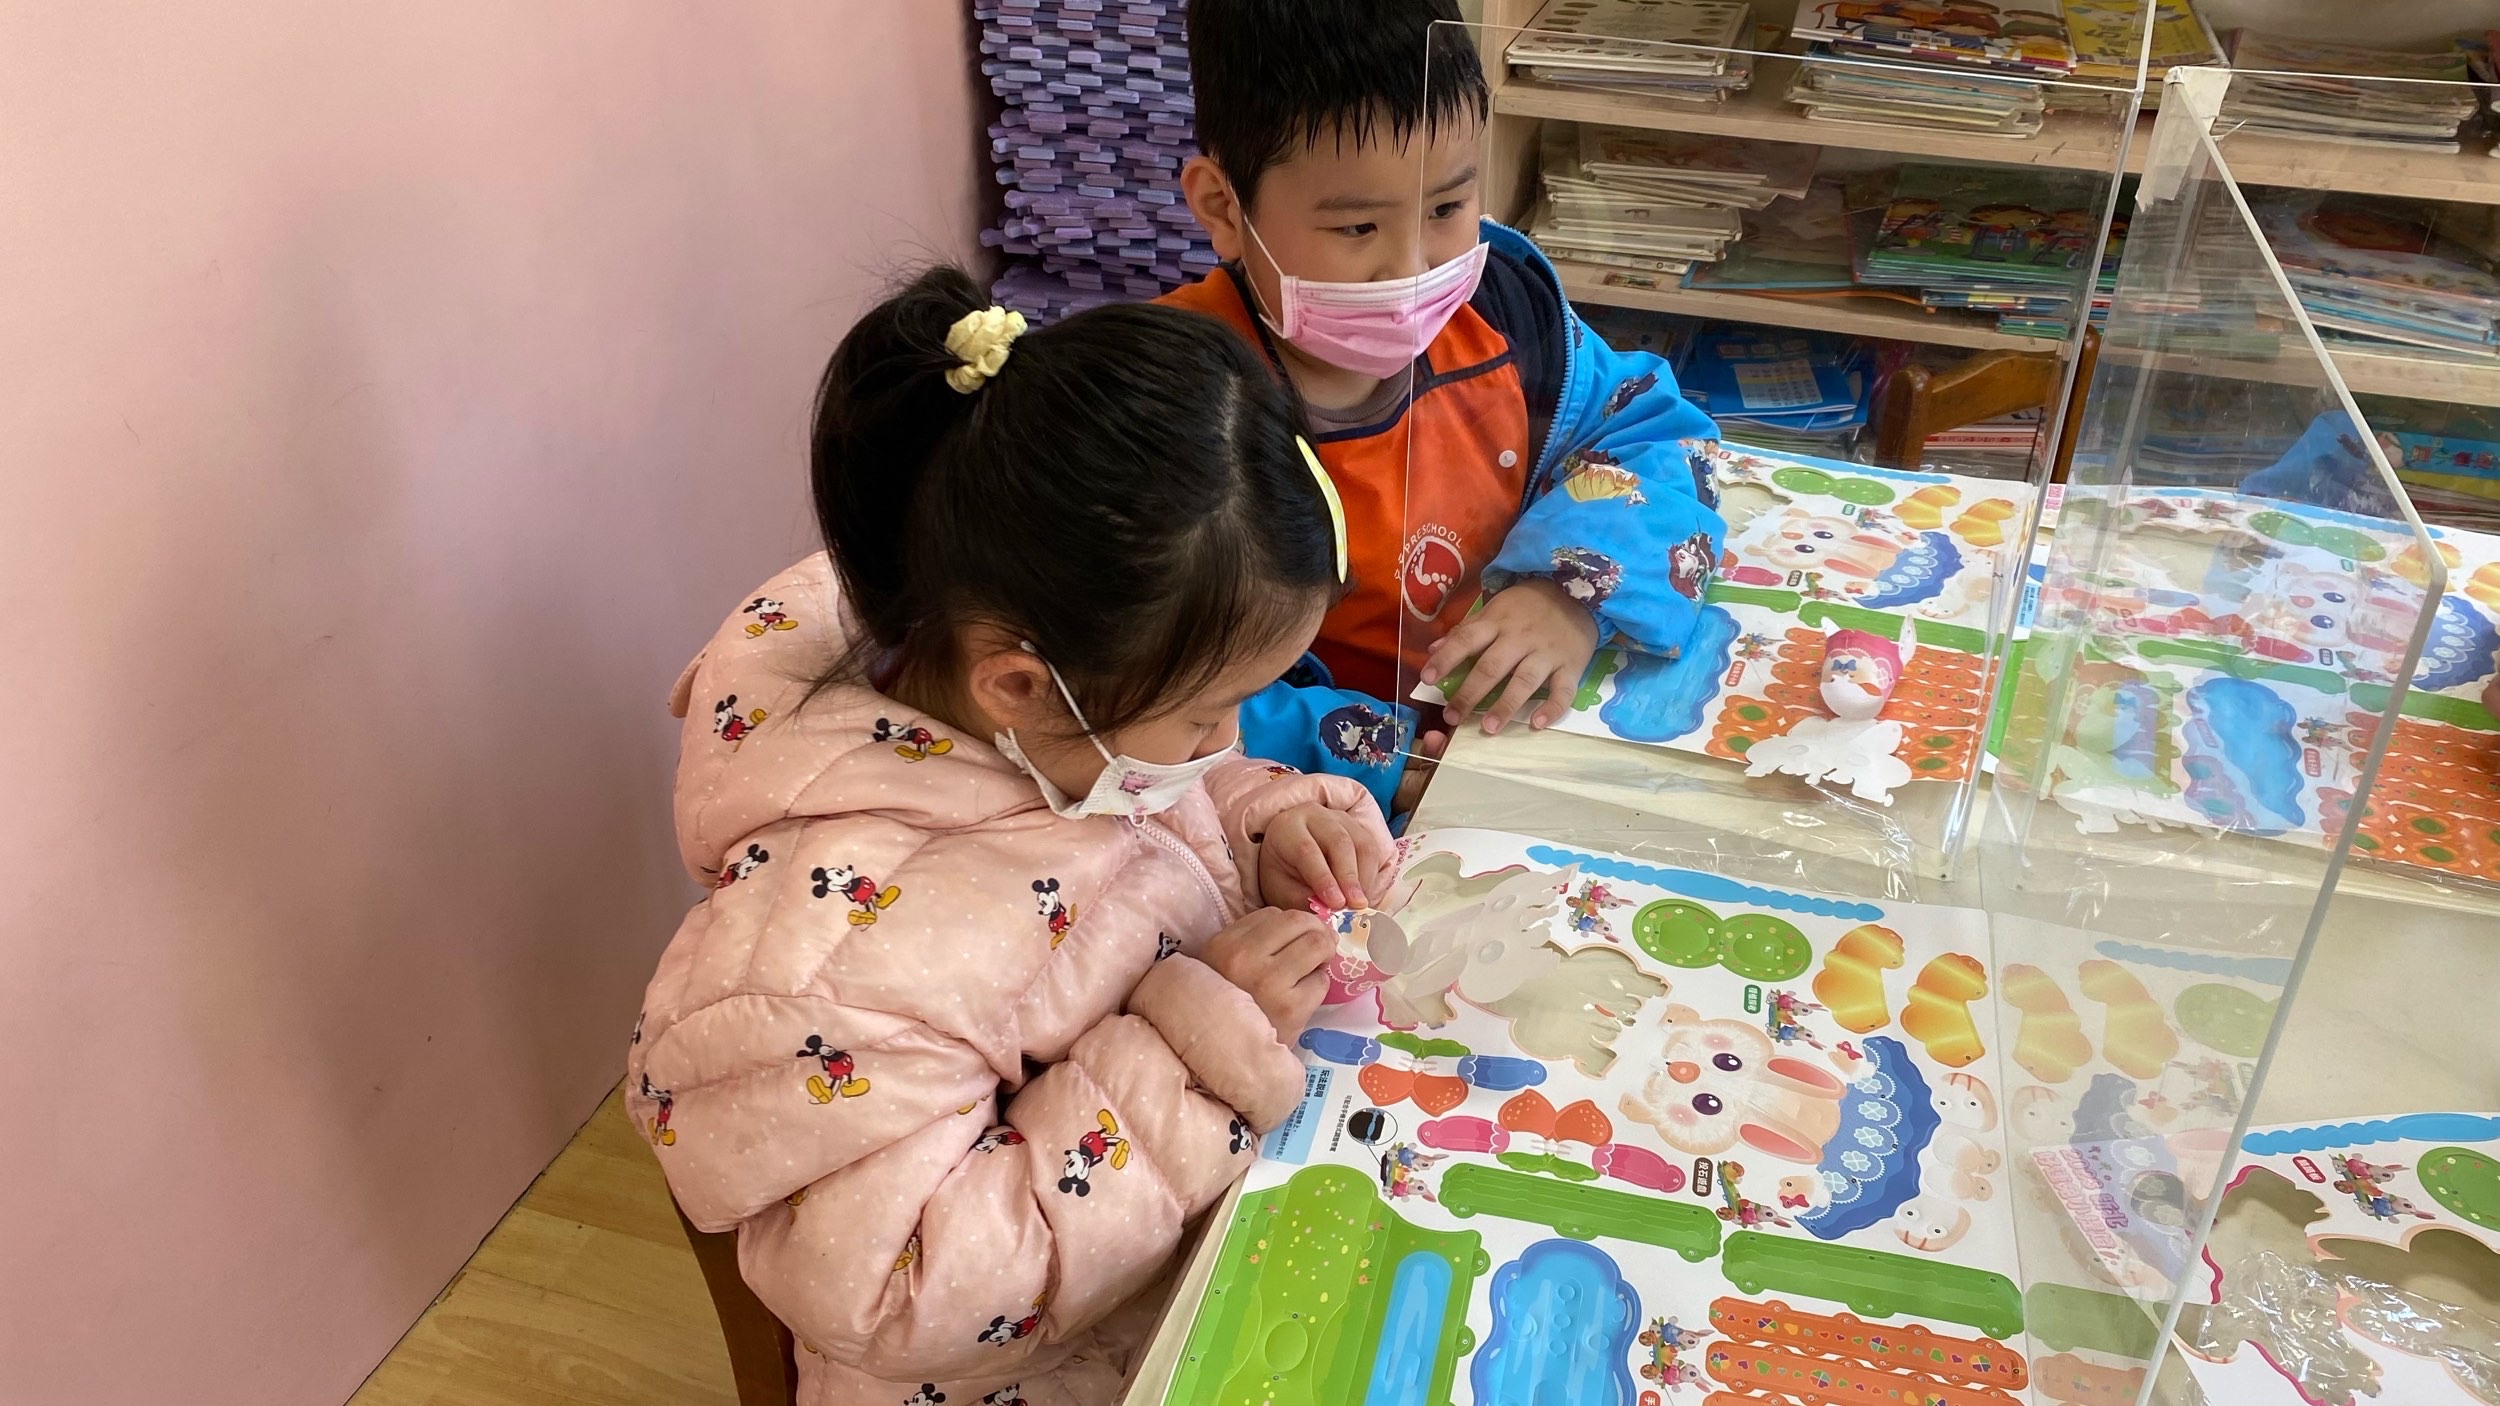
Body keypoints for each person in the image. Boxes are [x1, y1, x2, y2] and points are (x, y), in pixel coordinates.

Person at [626, 268, 1398, 1406]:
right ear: (1022, 686)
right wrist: (1196, 1053)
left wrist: (1261, 825)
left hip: (1185, 1248)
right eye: (1207, 714)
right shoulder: (815, 976)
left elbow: (1151, 810)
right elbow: (905, 1292)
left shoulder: (1042, 702)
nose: (1225, 739)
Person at [1167, 0, 1726, 815]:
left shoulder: (1504, 314)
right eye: (1358, 227)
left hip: (1513, 741)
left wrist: (1568, 591)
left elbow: (1656, 433)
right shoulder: (1167, 396)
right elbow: (1130, 667)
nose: (1412, 268)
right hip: (1303, 801)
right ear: (1224, 208)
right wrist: (1375, 758)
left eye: (1446, 210)